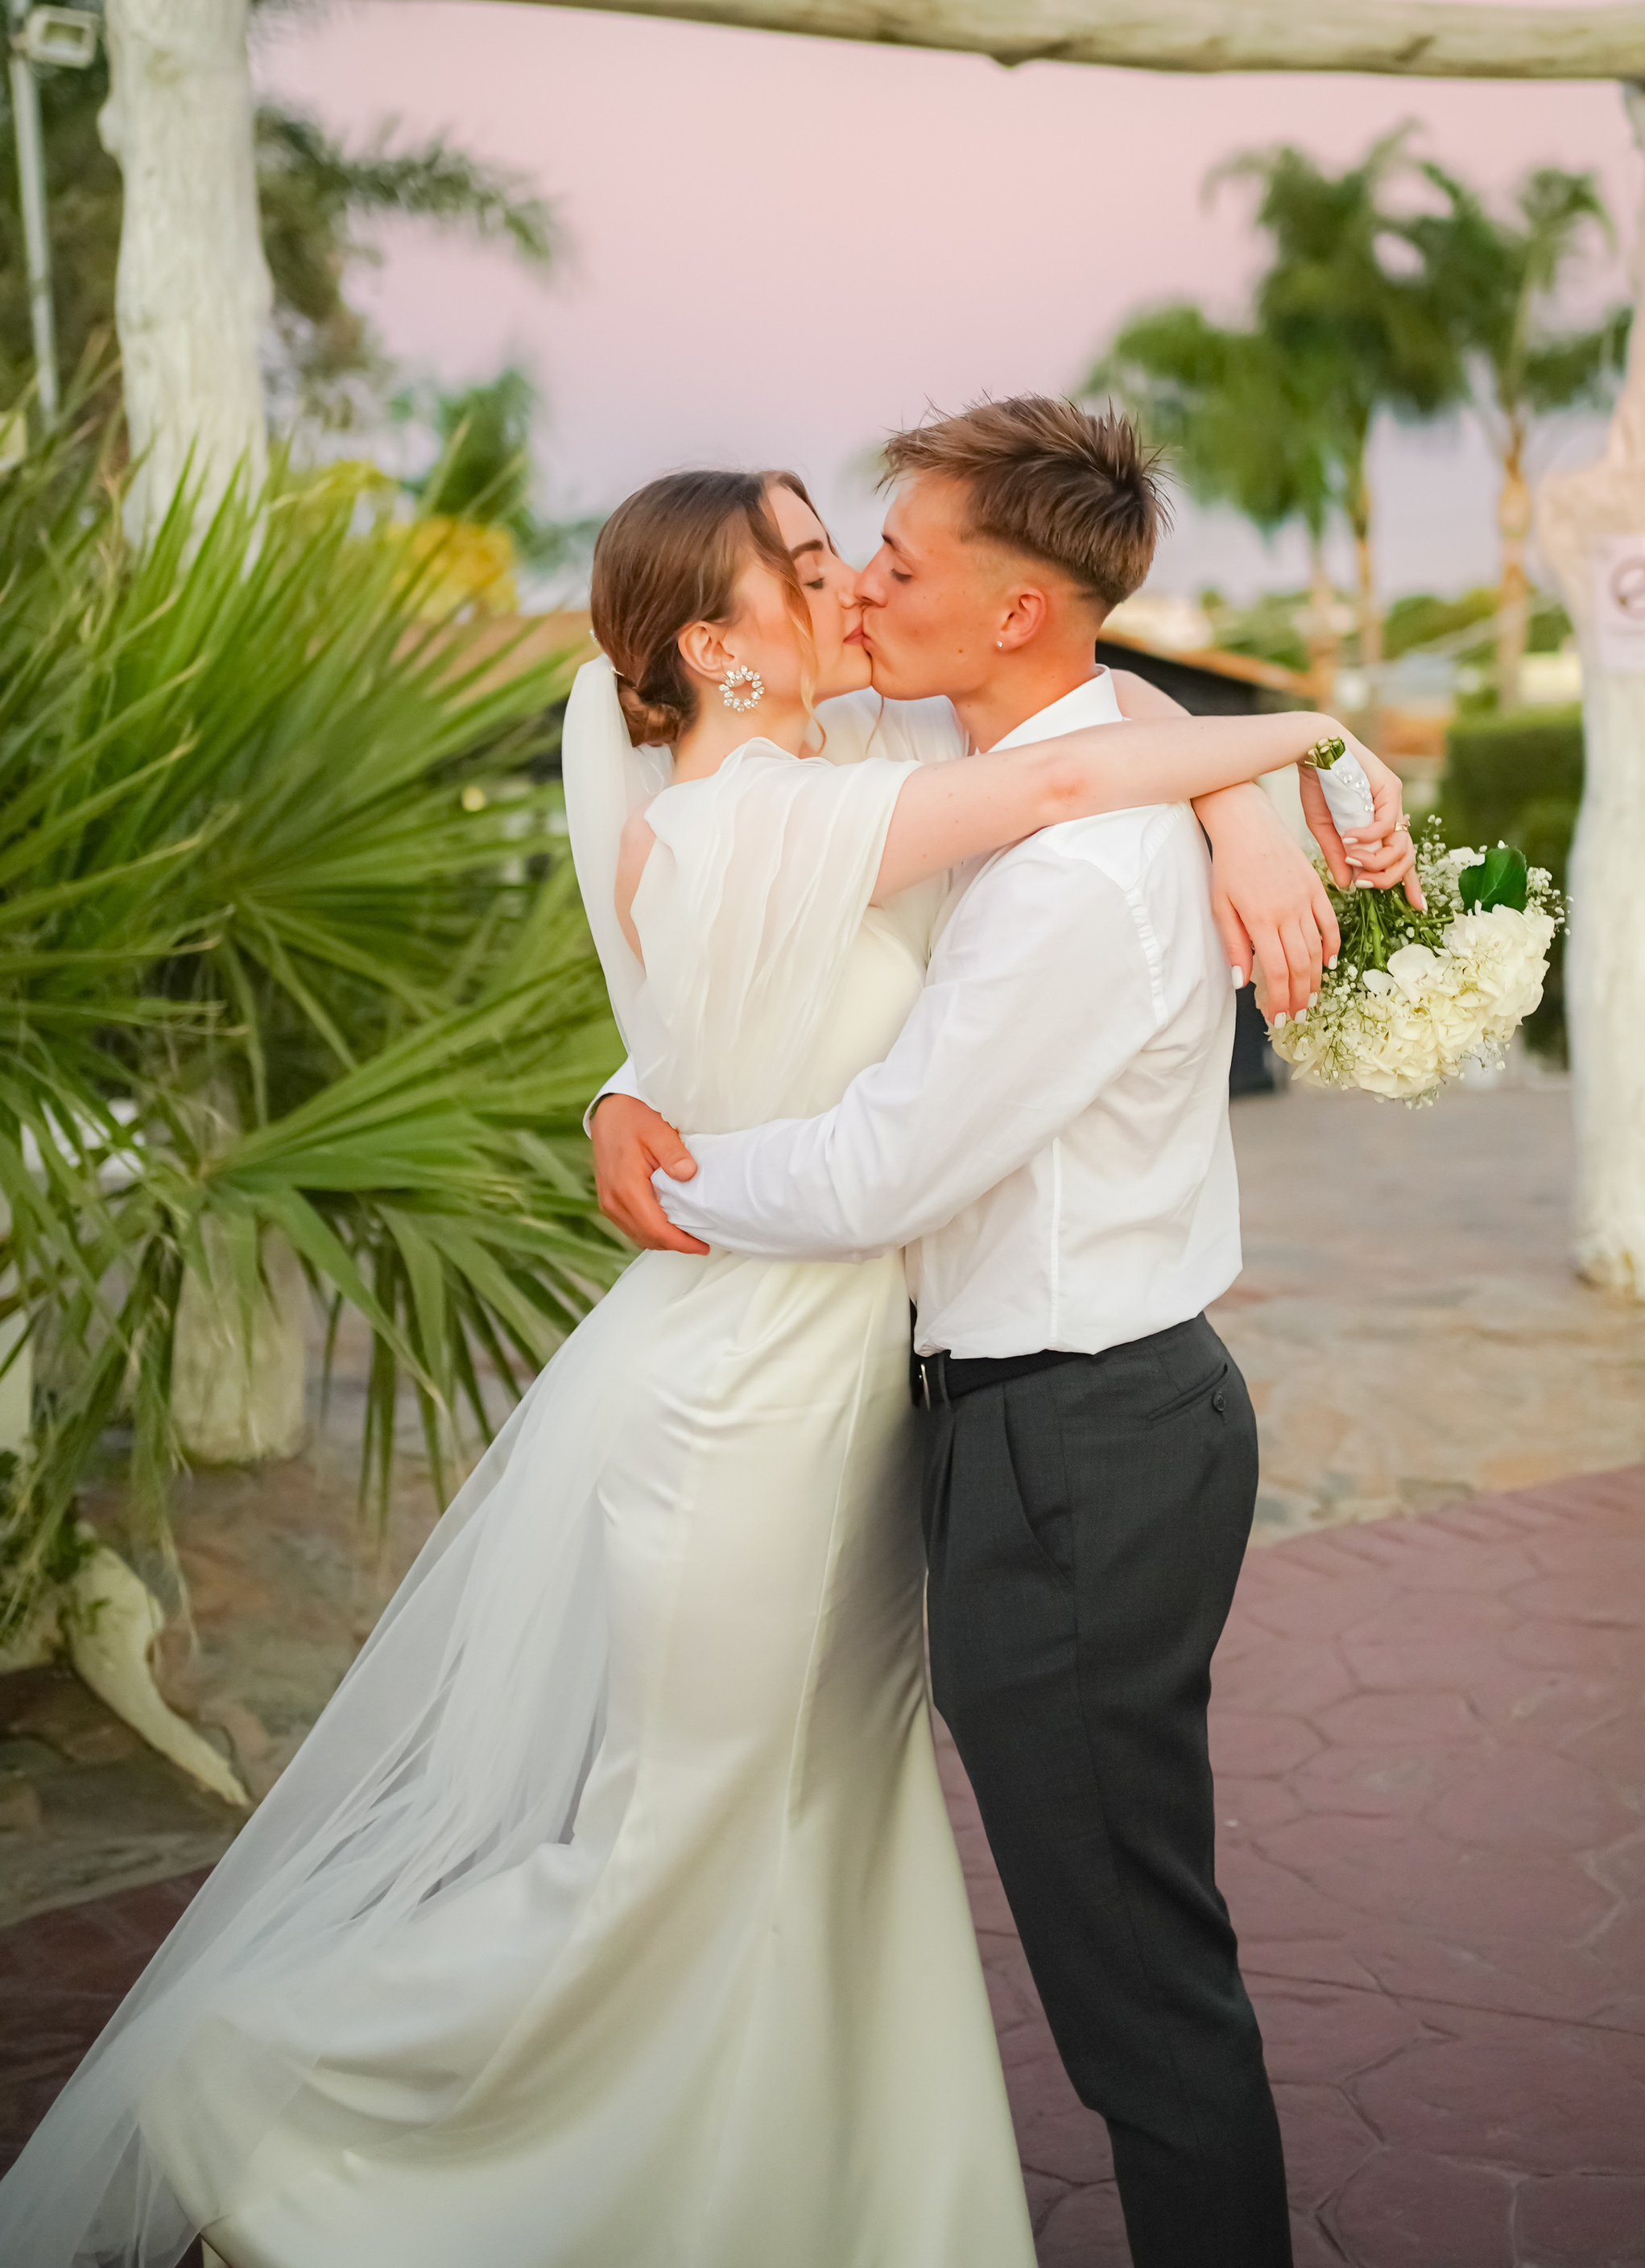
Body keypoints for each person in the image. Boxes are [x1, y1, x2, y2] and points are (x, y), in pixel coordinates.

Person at [0, 434, 1403, 2268]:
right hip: (771, 1395)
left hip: (956, 1407)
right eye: (823, 563)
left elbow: (1088, 721)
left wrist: (1274, 765)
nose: (855, 588)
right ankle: (282, 2106)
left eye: (875, 558)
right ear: (722, 650)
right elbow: (984, 827)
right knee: (683, 1844)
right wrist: (645, 1106)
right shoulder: (811, 787)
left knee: (874, 1854)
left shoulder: (898, 762)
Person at [592, 397, 1418, 2268]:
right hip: (1035, 1428)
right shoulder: (998, 746)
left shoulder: (1072, 878)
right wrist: (1240, 775)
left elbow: (892, 1165)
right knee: (1124, 1940)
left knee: (1135, 1979)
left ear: (1017, 619)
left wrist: (662, 1177)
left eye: (896, 566)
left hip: (1079, 1444)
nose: (861, 593)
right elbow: (1110, 714)